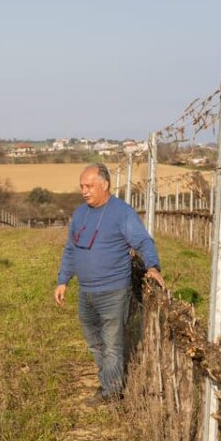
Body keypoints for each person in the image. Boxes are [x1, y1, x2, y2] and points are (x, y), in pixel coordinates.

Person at [54, 163, 165, 406]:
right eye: (82, 186)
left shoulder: (122, 213)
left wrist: (153, 266)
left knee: (112, 344)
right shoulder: (80, 214)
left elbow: (143, 242)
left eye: (89, 186)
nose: (84, 191)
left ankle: (112, 393)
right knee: (95, 342)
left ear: (104, 185)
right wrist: (63, 280)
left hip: (113, 291)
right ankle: (108, 381)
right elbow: (71, 249)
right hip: (86, 292)